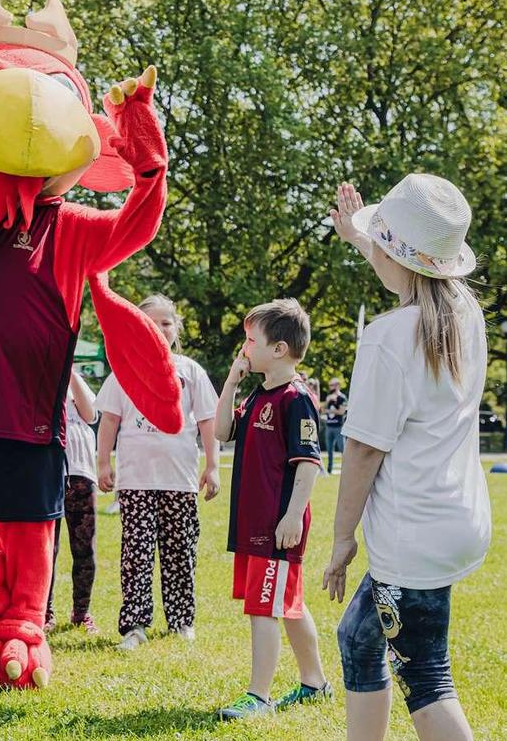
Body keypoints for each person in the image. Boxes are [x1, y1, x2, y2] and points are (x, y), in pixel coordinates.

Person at [323, 178, 490, 741]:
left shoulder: (389, 337)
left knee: (427, 678)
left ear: (396, 255)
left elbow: (364, 449)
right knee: (360, 635)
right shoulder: (463, 313)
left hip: (411, 535)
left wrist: (342, 540)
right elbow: (412, 275)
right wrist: (359, 239)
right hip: (452, 522)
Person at [214, 298, 331, 720]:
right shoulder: (257, 395)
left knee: (264, 608)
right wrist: (230, 382)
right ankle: (315, 683)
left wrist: (292, 515)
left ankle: (258, 696)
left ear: (278, 349)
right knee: (288, 604)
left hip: (276, 525)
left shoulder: (296, 399)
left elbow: (308, 466)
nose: (244, 348)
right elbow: (223, 431)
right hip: (251, 524)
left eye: (250, 340)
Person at [97, 295, 221, 650]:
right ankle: (134, 625)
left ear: (176, 328)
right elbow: (109, 418)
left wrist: (212, 466)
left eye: (166, 323)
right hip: (136, 479)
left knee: (180, 551)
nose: (159, 329)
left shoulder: (189, 370)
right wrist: (104, 463)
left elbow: (207, 420)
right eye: (150, 322)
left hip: (179, 481)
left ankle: (181, 621)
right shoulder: (125, 367)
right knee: (136, 551)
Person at [45, 366, 100, 635]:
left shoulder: (75, 380)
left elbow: (90, 415)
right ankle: (44, 612)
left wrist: (71, 372)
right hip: (49, 471)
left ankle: (81, 612)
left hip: (81, 473)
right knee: (47, 550)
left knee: (84, 548)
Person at [323, 377, 347, 474]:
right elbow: (323, 410)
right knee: (329, 450)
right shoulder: (329, 397)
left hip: (338, 427)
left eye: (332, 385)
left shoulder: (342, 397)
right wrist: (328, 401)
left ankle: (346, 469)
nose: (330, 387)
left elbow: (341, 412)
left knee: (342, 449)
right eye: (330, 385)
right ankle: (329, 470)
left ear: (338, 385)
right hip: (329, 426)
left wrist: (330, 411)